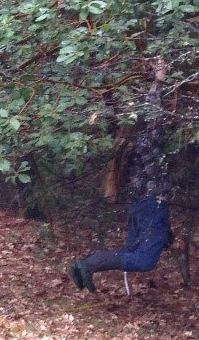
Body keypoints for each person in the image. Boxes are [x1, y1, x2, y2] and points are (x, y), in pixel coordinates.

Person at [70, 61, 172, 292]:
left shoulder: (127, 140)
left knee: (133, 252)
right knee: (145, 260)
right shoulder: (146, 141)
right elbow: (154, 115)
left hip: (140, 204)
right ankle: (87, 265)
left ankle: (85, 265)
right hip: (152, 203)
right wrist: (158, 82)